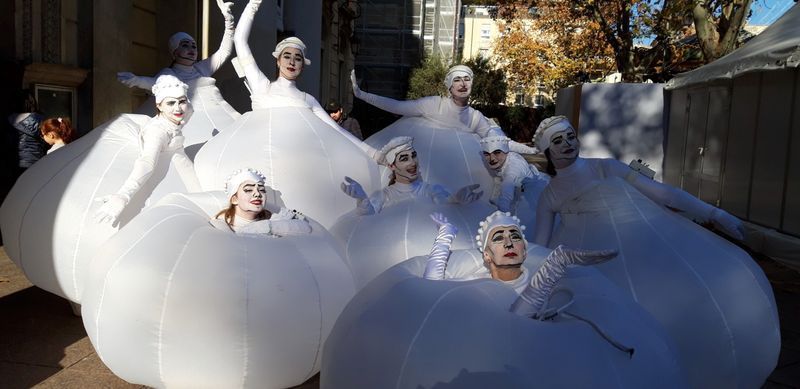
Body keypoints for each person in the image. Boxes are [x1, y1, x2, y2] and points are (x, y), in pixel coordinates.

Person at [532, 115, 745, 246]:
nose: (567, 143)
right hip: (581, 268)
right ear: (547, 151)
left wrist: (713, 213)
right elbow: (541, 244)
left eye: (570, 136)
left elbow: (664, 193)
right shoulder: (549, 196)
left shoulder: (607, 168)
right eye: (557, 141)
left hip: (634, 252)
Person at [234, 0, 377, 159]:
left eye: (298, 58)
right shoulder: (262, 87)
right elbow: (239, 41)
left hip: (295, 163)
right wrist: (253, 5)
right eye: (287, 56)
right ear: (278, 61)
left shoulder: (308, 100)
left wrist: (374, 154)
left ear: (303, 66)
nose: (292, 62)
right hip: (259, 159)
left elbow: (337, 131)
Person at [422, 211, 616, 319]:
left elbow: (518, 326)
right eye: (499, 239)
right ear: (487, 256)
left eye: (515, 237)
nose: (508, 243)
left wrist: (558, 262)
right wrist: (446, 234)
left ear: (524, 249)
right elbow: (430, 289)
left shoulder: (548, 292)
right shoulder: (473, 282)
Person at [116, 0, 239, 152]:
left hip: (211, 121)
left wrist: (229, 22)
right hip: (185, 124)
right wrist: (136, 80)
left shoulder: (201, 69)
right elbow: (155, 84)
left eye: (194, 46)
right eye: (185, 45)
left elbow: (224, 51)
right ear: (175, 51)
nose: (191, 49)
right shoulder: (169, 74)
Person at [351, 65, 538, 155]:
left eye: (467, 79)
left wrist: (531, 151)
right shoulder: (434, 104)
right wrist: (362, 95)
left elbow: (501, 142)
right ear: (449, 86)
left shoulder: (475, 118)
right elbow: (397, 107)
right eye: (457, 80)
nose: (463, 84)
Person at [94, 75, 201, 225]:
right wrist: (124, 195)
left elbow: (187, 109)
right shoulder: (157, 132)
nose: (178, 108)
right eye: (170, 103)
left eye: (181, 101)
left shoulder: (185, 111)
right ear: (159, 106)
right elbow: (146, 162)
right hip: (163, 175)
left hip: (181, 164)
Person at [340, 136, 482, 215]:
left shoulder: (429, 189)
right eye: (404, 158)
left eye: (413, 156)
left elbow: (444, 199)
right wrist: (362, 198)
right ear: (392, 166)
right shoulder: (385, 195)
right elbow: (369, 215)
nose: (412, 162)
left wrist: (457, 198)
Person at [211, 168, 311, 235]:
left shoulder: (274, 218)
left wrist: (268, 226)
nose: (257, 194)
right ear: (234, 199)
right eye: (249, 190)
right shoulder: (221, 225)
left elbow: (307, 228)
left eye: (262, 190)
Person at [480, 133, 549, 213]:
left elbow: (507, 190)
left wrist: (502, 217)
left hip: (533, 194)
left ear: (506, 151)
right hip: (520, 188)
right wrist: (531, 150)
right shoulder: (505, 150)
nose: (492, 158)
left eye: (497, 152)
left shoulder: (514, 167)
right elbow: (512, 145)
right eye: (487, 154)